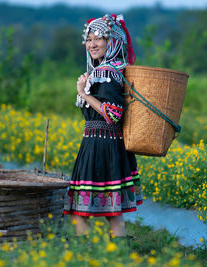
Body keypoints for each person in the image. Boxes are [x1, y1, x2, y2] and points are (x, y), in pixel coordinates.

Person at [63, 14, 142, 240]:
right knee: (112, 214)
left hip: (101, 146)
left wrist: (84, 94)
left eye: (99, 38)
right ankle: (115, 257)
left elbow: (114, 114)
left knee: (81, 212)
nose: (92, 44)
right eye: (88, 40)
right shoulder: (110, 70)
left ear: (112, 42)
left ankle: (89, 257)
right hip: (103, 145)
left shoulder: (106, 72)